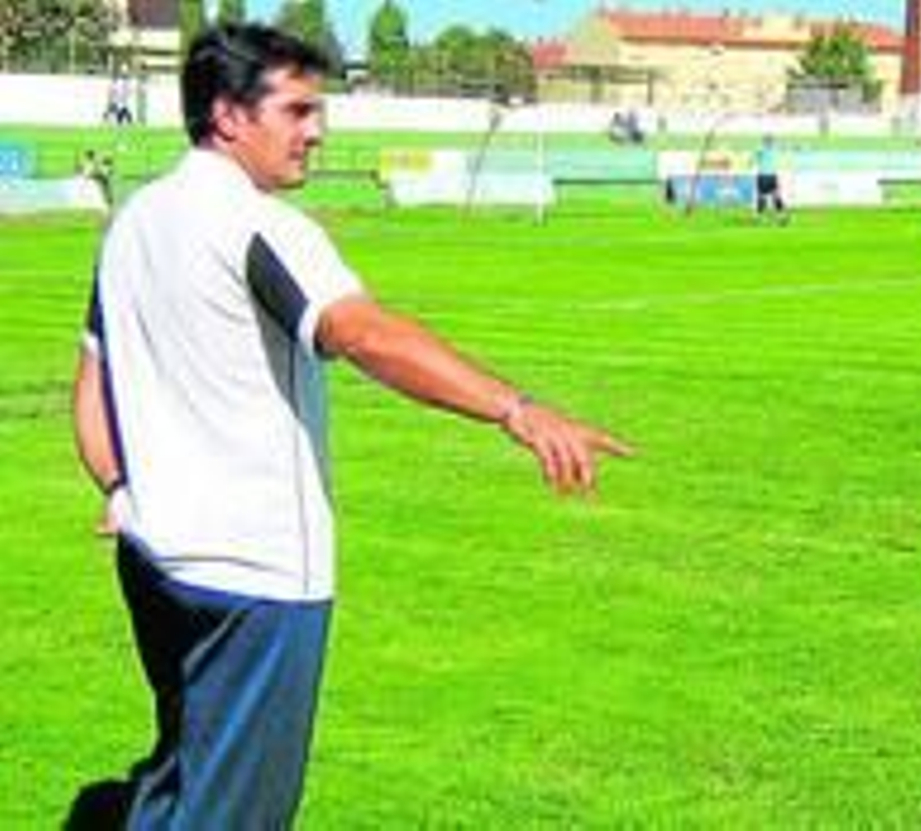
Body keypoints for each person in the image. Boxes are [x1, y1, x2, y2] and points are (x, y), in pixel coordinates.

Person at [67, 24, 630, 828]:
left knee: (178, 778)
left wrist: (120, 486)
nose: (317, 131)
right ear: (228, 116)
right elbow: (361, 333)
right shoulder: (261, 228)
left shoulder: (132, 223)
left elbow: (90, 387)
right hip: (254, 580)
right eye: (297, 110)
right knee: (233, 811)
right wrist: (518, 408)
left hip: (156, 559)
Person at [754, 134, 788, 223]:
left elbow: (783, 149)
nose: (770, 142)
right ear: (764, 142)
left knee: (776, 195)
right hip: (763, 175)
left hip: (772, 175)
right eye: (768, 141)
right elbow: (757, 157)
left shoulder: (774, 149)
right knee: (762, 197)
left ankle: (781, 215)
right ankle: (759, 216)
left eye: (771, 141)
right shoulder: (760, 150)